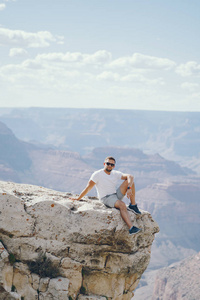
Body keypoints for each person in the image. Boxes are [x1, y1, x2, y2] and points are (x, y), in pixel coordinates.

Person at [71, 156, 142, 235]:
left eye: (112, 165)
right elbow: (88, 188)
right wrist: (78, 198)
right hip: (106, 198)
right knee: (122, 205)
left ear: (114, 166)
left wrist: (129, 187)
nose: (109, 166)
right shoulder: (97, 174)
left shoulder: (115, 173)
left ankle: (133, 205)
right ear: (104, 164)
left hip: (115, 195)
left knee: (130, 182)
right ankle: (131, 228)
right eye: (108, 164)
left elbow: (130, 176)